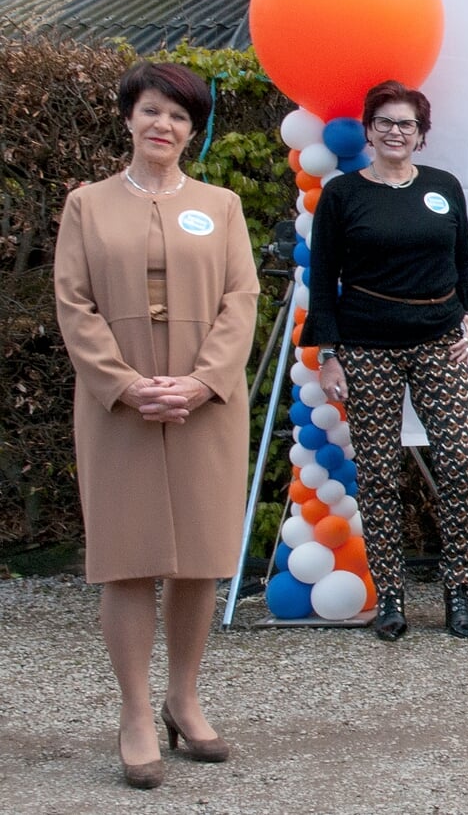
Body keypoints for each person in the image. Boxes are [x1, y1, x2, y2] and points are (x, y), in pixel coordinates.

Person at [54, 62, 259, 788]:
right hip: (120, 407)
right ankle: (137, 713)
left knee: (200, 555)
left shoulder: (223, 204)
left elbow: (242, 299)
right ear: (128, 119)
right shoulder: (86, 204)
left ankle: (186, 697)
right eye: (149, 111)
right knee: (129, 557)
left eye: (176, 116)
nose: (162, 126)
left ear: (192, 128)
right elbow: (73, 305)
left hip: (207, 405)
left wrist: (203, 382)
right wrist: (125, 385)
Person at [305, 81, 468, 642]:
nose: (395, 132)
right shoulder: (342, 196)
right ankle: (391, 597)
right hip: (366, 349)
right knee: (380, 476)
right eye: (384, 122)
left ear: (421, 133)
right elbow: (323, 279)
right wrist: (329, 354)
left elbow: (464, 260)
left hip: (438, 342)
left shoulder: (443, 187)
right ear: (367, 129)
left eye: (406, 123)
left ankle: (458, 588)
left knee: (459, 466)